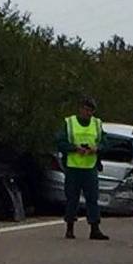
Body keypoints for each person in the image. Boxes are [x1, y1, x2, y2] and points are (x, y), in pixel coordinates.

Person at [56, 97, 109, 240]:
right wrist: (74, 148)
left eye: (91, 110)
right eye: (86, 109)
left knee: (92, 199)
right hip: (73, 167)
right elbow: (60, 142)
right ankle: (70, 228)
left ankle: (95, 228)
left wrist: (97, 148)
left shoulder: (97, 124)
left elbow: (105, 141)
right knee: (72, 199)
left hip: (90, 167)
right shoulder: (69, 123)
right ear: (80, 109)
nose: (88, 113)